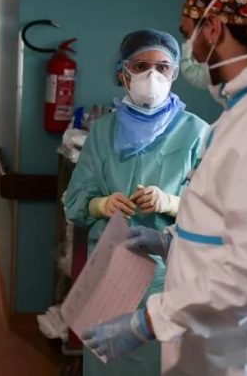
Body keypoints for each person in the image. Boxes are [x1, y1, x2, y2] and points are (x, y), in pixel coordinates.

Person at [82, 0, 247, 375]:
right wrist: (169, 241)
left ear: (213, 28)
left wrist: (148, 321)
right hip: (226, 342)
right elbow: (234, 222)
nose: (190, 52)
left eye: (189, 34)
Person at [64, 29, 209, 375]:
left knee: (160, 363)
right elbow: (75, 200)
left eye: (162, 67)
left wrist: (170, 202)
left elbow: (214, 212)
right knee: (106, 360)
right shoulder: (103, 131)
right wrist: (101, 205)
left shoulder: (197, 132)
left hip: (168, 279)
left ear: (175, 73)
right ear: (123, 72)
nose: (152, 76)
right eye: (141, 66)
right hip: (110, 273)